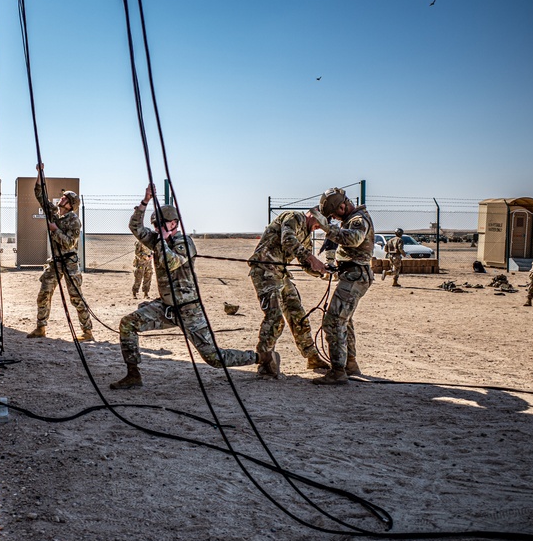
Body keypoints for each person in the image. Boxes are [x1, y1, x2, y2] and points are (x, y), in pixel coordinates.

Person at [109, 187, 257, 389]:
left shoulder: (184, 242)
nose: (156, 229)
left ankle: (260, 358)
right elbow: (135, 227)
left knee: (214, 358)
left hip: (190, 310)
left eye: (160, 225)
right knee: (128, 323)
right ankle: (133, 375)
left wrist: (161, 240)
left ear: (173, 224)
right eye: (155, 226)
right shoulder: (158, 240)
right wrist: (144, 202)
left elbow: (171, 263)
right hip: (167, 307)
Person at [248, 208, 330, 378]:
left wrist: (321, 269)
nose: (318, 228)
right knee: (275, 319)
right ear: (312, 216)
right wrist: (311, 258)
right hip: (265, 270)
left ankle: (312, 356)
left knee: (297, 313)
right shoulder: (293, 217)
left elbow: (305, 262)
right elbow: (288, 240)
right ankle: (265, 363)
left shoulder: (306, 235)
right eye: (318, 224)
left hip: (280, 273)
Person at [311, 187, 375, 386]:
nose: (335, 219)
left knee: (333, 322)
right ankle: (350, 364)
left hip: (355, 277)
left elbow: (354, 240)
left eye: (334, 215)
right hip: (352, 274)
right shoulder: (353, 219)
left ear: (342, 205)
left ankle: (338, 371)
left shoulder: (358, 220)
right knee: (344, 321)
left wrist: (326, 228)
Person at [26, 164, 93, 341]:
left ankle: (87, 332)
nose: (61, 199)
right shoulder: (54, 213)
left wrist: (55, 230)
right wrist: (40, 173)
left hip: (69, 262)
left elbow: (71, 243)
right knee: (44, 293)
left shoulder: (74, 221)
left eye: (65, 198)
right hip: (55, 261)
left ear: (71, 205)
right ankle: (41, 327)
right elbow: (40, 194)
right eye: (62, 197)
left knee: (76, 297)